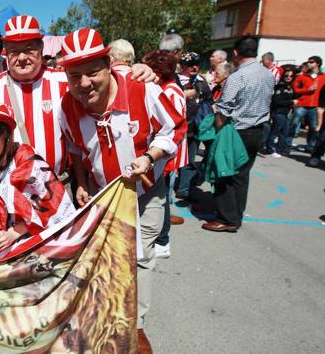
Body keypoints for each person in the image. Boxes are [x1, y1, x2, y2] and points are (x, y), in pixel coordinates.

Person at [57, 28, 185, 354]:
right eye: (75, 76)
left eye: (92, 73)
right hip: (104, 194)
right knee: (109, 258)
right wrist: (82, 183)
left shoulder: (142, 90)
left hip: (146, 191)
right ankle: (110, 317)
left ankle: (137, 327)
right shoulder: (68, 106)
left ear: (109, 64)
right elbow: (74, 150)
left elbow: (175, 128)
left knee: (141, 257)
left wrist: (149, 157)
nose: (85, 84)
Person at [0, 14, 157, 176]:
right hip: (8, 191)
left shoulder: (68, 82)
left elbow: (104, 80)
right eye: (14, 51)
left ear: (40, 49)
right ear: (6, 51)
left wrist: (135, 69)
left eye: (29, 49)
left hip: (60, 189)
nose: (21, 58)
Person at [0, 98, 75, 252]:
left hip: (36, 246)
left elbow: (61, 214)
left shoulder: (25, 161)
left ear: (6, 134)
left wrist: (14, 233)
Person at [202, 36, 275, 232]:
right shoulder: (267, 74)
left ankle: (227, 218)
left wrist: (217, 130)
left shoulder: (237, 76)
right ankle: (236, 213)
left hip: (237, 130)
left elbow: (223, 108)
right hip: (258, 130)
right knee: (242, 175)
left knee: (224, 172)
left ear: (236, 53)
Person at [142, 49, 189, 259]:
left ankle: (163, 240)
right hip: (164, 154)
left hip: (169, 154)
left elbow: (176, 128)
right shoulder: (165, 88)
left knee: (162, 198)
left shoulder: (170, 91)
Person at [175, 52, 213, 201]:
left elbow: (209, 100)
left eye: (197, 64)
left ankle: (183, 190)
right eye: (191, 64)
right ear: (183, 66)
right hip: (177, 127)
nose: (194, 67)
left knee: (189, 161)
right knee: (172, 161)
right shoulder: (175, 79)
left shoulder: (201, 81)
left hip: (194, 128)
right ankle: (167, 189)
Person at [286, 56, 325, 153]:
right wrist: (307, 89)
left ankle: (310, 146)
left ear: (317, 64)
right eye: (308, 62)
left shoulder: (324, 77)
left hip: (316, 106)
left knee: (313, 127)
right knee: (293, 125)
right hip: (302, 104)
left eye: (311, 62)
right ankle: (287, 145)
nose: (308, 63)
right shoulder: (302, 76)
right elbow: (295, 88)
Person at [264, 69, 295, 157]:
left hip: (286, 113)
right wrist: (291, 102)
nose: (289, 77)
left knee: (285, 132)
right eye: (287, 76)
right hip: (278, 112)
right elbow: (276, 101)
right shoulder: (279, 87)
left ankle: (279, 150)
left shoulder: (290, 87)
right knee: (275, 131)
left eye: (291, 76)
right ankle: (269, 149)